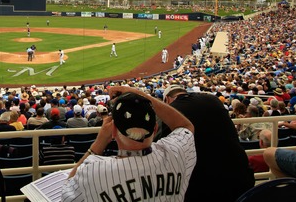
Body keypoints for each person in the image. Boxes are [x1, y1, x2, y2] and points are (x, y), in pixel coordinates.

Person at [61, 86, 196, 202]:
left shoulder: (91, 172)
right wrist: (141, 95)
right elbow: (185, 125)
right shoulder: (175, 154)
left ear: (113, 131)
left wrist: (97, 145)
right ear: (155, 129)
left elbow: (66, 194)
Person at [160, 84, 254, 201]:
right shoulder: (212, 100)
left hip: (203, 190)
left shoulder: (169, 112)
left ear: (167, 99)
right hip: (243, 182)